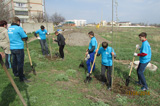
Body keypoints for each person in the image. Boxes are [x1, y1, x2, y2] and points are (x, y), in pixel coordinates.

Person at [8, 17, 29, 82]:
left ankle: (15, 73)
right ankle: (21, 77)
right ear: (17, 21)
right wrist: (24, 33)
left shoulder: (9, 29)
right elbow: (25, 37)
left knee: (14, 62)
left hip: (11, 47)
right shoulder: (18, 28)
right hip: (19, 48)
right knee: (20, 63)